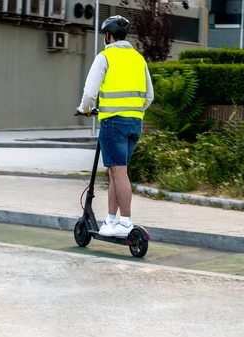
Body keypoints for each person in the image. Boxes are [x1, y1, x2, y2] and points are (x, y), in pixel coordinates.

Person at [76, 15, 154, 237]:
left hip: (113, 122)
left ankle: (126, 222)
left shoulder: (105, 57)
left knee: (118, 172)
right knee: (116, 172)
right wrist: (134, 110)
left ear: (108, 35)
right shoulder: (139, 59)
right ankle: (110, 221)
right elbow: (149, 95)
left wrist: (83, 109)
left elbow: (90, 92)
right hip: (135, 122)